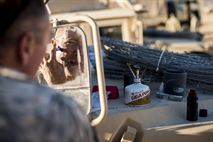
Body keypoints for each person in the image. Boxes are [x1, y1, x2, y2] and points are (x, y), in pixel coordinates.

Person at [0, 0, 97, 142]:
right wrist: (56, 85)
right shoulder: (59, 112)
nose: (77, 52)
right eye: (43, 42)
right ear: (26, 46)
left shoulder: (85, 69)